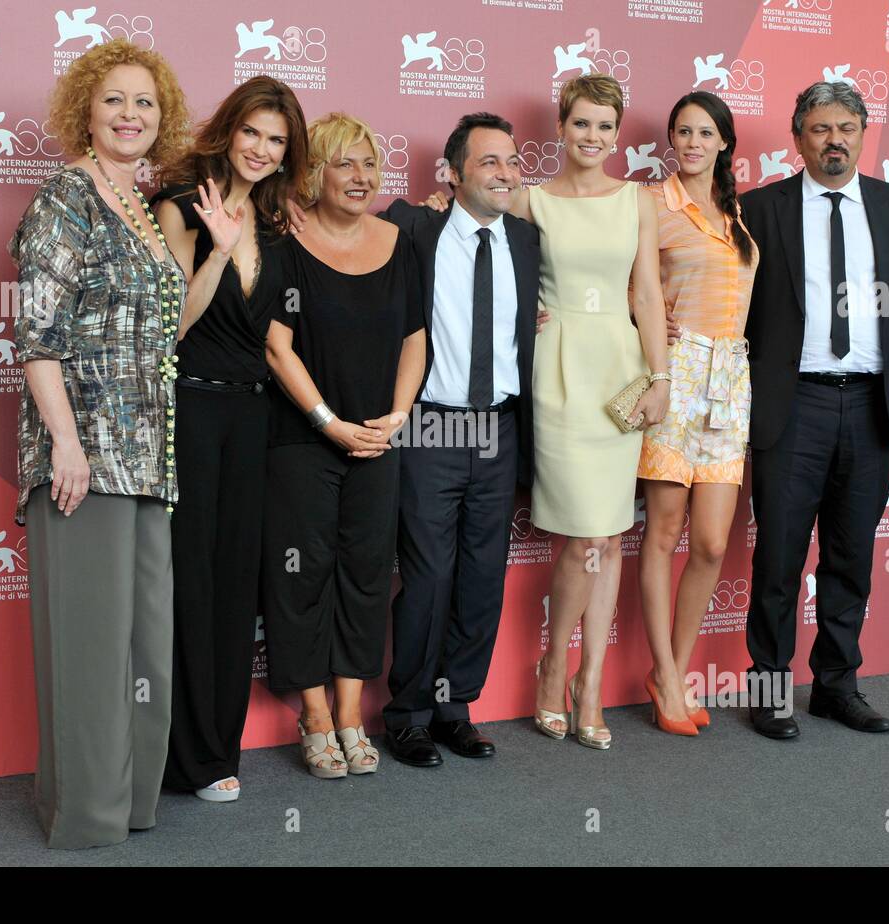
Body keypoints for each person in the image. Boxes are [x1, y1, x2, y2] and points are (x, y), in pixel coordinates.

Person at [11, 39, 191, 848]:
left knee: (144, 645)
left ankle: (130, 803)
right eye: (115, 99)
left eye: (145, 102)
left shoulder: (147, 210)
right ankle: (85, 817)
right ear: (86, 110)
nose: (131, 115)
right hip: (83, 458)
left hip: (149, 456)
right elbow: (38, 338)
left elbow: (164, 334)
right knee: (88, 646)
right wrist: (65, 446)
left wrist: (216, 251)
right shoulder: (65, 198)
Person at [464, 75, 668, 750]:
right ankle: (554, 670)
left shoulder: (638, 200)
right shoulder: (529, 198)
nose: (593, 136)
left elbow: (646, 294)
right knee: (582, 537)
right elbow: (472, 247)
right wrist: (525, 315)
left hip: (619, 371)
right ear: (560, 127)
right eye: (581, 123)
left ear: (617, 133)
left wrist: (660, 378)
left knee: (610, 537)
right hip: (555, 372)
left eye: (605, 126)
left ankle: (591, 682)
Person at [739, 82, 889, 739]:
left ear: (862, 133)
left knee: (850, 556)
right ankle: (770, 691)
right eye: (821, 129)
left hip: (871, 404)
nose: (835, 140)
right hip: (792, 403)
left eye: (846, 128)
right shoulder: (759, 209)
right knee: (779, 558)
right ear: (798, 137)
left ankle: (835, 687)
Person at [151, 76, 308, 803]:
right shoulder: (180, 207)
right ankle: (181, 757)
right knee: (188, 582)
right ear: (228, 130)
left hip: (252, 421)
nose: (262, 149)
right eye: (253, 132)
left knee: (234, 583)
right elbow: (169, 328)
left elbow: (276, 338)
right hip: (189, 410)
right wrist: (217, 252)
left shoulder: (276, 228)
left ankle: (219, 752)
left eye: (277, 140)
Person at [262, 112, 427, 778]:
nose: (360, 178)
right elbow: (276, 345)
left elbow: (415, 338)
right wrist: (328, 421)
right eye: (343, 164)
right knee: (301, 575)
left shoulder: (400, 241)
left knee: (365, 573)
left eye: (368, 164)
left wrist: (396, 416)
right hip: (302, 438)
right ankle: (315, 715)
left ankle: (352, 712)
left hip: (378, 439)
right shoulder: (285, 244)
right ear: (313, 173)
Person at [374, 113, 541, 767]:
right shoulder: (411, 227)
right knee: (427, 577)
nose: (505, 173)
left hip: (499, 427)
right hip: (431, 425)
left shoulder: (526, 240)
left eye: (511, 161)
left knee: (481, 577)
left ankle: (454, 708)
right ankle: (407, 713)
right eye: (489, 162)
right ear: (452, 173)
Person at [636, 92, 759, 736]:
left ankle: (671, 672)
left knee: (711, 541)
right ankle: (667, 676)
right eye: (681, 131)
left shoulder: (740, 214)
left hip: (731, 381)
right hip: (678, 373)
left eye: (704, 132)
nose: (691, 142)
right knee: (662, 531)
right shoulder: (651, 206)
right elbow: (638, 293)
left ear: (723, 143)